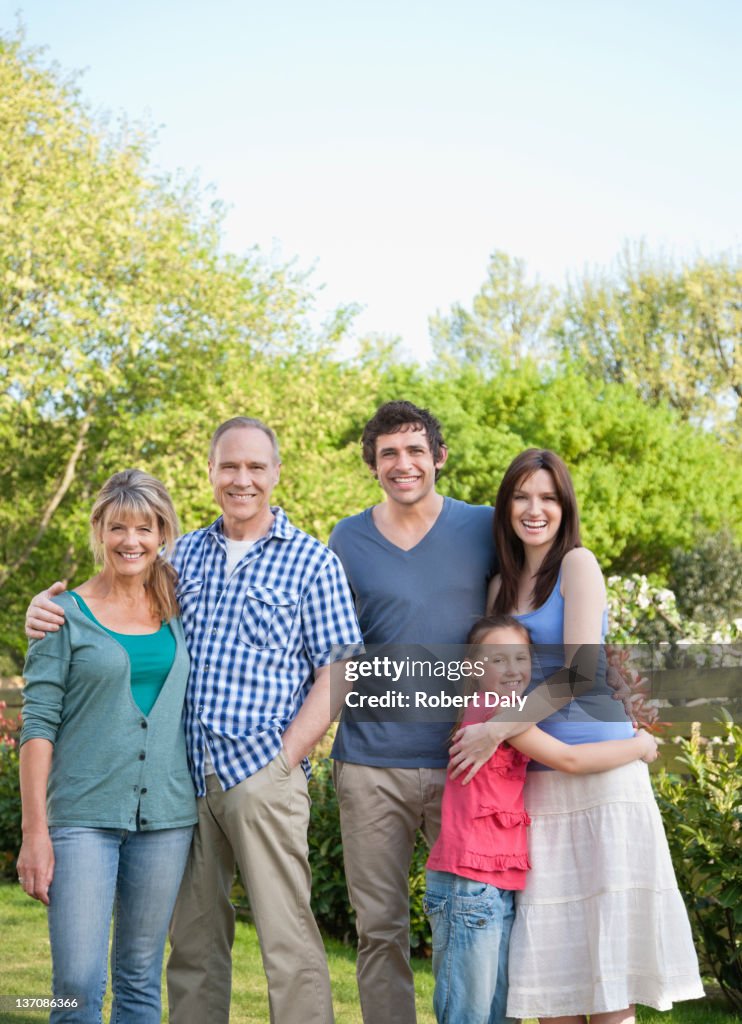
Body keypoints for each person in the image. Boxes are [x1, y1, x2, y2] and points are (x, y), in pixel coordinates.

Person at [25, 417, 364, 1024]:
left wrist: (284, 757)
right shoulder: (182, 556)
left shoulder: (313, 561)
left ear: (276, 474)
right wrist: (43, 608)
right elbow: (113, 597)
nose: (242, 479)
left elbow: (339, 670)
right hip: (181, 787)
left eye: (255, 467)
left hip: (262, 774)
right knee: (192, 950)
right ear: (210, 473)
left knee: (287, 944)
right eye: (228, 466)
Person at [450, 449, 704, 1023]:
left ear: (565, 507)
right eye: (522, 496)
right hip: (536, 779)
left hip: (599, 777)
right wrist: (492, 727)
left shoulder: (577, 566)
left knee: (609, 985)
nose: (534, 509)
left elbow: (578, 673)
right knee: (552, 985)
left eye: (547, 497)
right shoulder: (499, 588)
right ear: (505, 506)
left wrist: (496, 730)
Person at [328, 400, 497, 1024]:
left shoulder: (483, 526)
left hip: (467, 761)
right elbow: (332, 648)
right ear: (374, 464)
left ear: (440, 458)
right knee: (380, 929)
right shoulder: (347, 538)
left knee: (474, 920)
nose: (404, 464)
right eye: (389, 453)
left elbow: (522, 620)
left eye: (416, 450)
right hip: (370, 766)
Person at [18, 470, 197, 1024]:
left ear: (162, 532)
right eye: (118, 527)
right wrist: (34, 832)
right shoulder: (62, 615)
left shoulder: (180, 606)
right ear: (99, 529)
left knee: (141, 975)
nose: (131, 541)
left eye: (144, 528)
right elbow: (37, 725)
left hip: (166, 818)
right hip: (81, 818)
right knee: (76, 981)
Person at [424, 615, 658, 1024]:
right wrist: (640, 744)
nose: (513, 668)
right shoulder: (498, 712)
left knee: (498, 1014)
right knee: (470, 1014)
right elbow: (569, 758)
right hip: (469, 884)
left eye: (521, 657)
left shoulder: (510, 712)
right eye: (497, 659)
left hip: (496, 881)